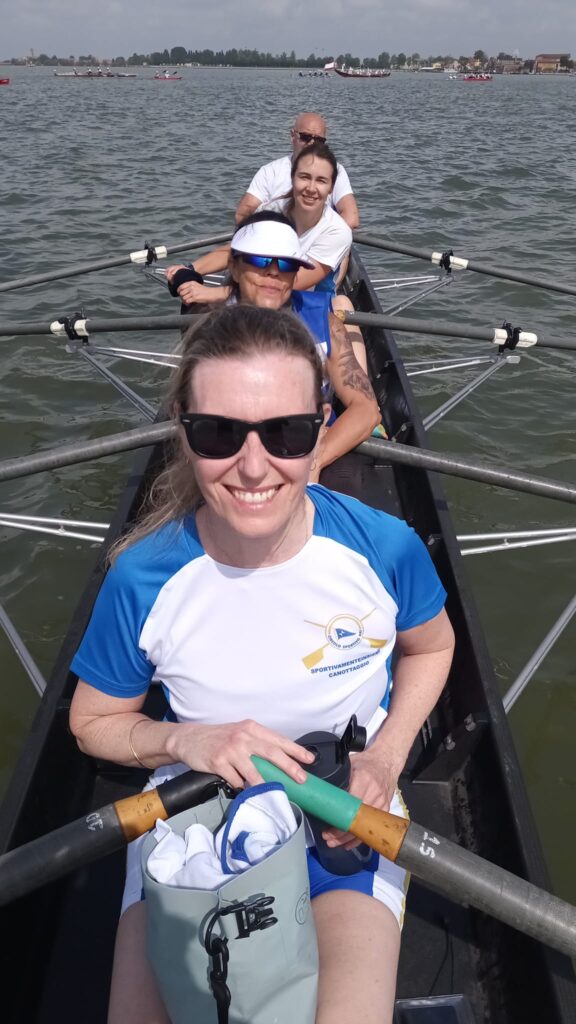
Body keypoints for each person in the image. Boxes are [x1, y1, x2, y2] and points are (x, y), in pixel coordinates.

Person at [69, 304, 455, 1024]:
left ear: (320, 427)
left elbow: (432, 646)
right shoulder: (142, 577)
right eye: (219, 433)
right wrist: (186, 739)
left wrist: (386, 759)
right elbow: (93, 722)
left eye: (286, 433)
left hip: (346, 812)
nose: (253, 467)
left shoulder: (385, 547)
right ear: (183, 431)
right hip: (193, 816)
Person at [168, 209, 380, 474]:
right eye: (260, 259)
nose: (273, 272)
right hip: (234, 451)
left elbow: (367, 410)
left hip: (311, 443)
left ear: (296, 273)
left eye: (287, 264)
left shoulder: (326, 324)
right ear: (234, 267)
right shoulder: (210, 329)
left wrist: (315, 461)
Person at [168, 142, 352, 301]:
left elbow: (293, 282)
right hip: (260, 295)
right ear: (292, 178)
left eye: (321, 181)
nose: (311, 188)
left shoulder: (338, 231)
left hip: (309, 304)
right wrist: (191, 269)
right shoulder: (273, 209)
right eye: (304, 177)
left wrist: (212, 293)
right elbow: (236, 250)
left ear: (331, 188)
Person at [236, 111, 360, 230]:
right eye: (305, 137)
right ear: (292, 136)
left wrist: (315, 238)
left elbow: (351, 218)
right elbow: (243, 214)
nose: (311, 143)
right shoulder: (269, 171)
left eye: (318, 140)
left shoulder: (336, 171)